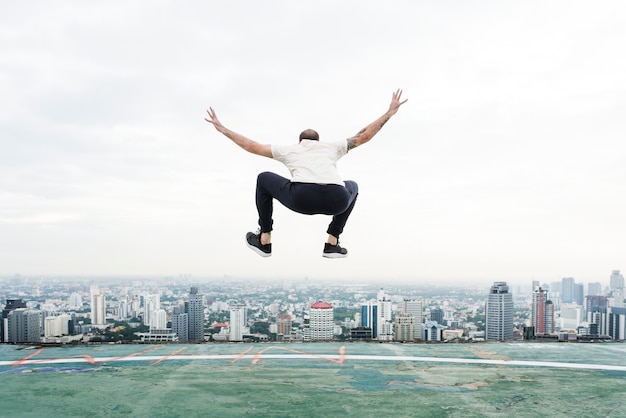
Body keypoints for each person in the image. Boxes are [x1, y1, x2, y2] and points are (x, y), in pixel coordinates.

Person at [205, 89, 407, 258]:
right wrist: (389, 113)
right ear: (317, 141)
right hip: (337, 199)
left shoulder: (290, 150)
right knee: (352, 185)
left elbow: (251, 145)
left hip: (302, 198)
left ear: (300, 140)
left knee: (263, 178)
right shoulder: (333, 147)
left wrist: (224, 130)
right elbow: (363, 136)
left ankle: (264, 239)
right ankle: (332, 242)